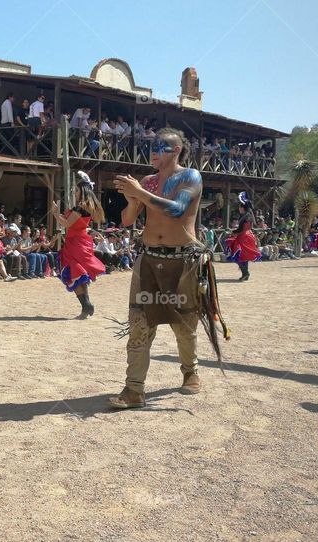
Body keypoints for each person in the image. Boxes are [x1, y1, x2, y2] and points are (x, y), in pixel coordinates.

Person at [109, 128, 230, 408]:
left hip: (184, 260)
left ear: (175, 151)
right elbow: (128, 220)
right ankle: (133, 390)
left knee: (184, 324)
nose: (152, 152)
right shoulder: (148, 182)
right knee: (139, 324)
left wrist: (139, 192)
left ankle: (191, 372)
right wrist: (132, 200)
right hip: (149, 258)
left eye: (159, 147)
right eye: (151, 147)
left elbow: (177, 209)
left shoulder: (190, 177)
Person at [52, 171, 106, 319]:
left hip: (75, 244)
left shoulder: (80, 208)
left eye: (76, 190)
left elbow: (66, 224)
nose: (74, 193)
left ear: (82, 191)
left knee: (72, 273)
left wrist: (55, 213)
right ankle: (86, 306)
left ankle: (86, 306)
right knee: (79, 274)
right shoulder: (85, 208)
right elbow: (77, 225)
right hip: (80, 242)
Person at [225, 193, 261, 281]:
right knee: (243, 256)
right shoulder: (248, 216)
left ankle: (245, 273)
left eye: (240, 207)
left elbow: (241, 229)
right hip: (248, 236)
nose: (239, 208)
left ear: (243, 208)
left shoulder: (245, 217)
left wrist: (232, 231)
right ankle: (245, 274)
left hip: (243, 237)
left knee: (238, 255)